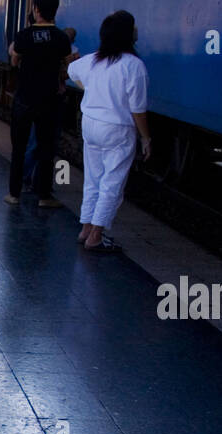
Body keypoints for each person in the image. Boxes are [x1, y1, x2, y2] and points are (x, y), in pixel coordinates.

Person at [68, 9, 150, 252]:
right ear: (127, 34)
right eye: (133, 26)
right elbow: (138, 109)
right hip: (117, 129)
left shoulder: (94, 60)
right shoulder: (134, 66)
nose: (136, 30)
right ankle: (96, 236)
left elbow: (72, 71)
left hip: (91, 124)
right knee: (112, 183)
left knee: (93, 179)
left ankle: (85, 228)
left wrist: (91, 89)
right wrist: (146, 137)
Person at [4, 0, 71, 208]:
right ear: (55, 11)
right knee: (46, 149)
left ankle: (14, 194)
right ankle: (44, 196)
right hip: (49, 100)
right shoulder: (61, 37)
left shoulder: (23, 35)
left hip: (24, 99)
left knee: (19, 148)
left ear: (36, 10)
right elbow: (67, 68)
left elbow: (14, 61)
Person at [23, 25, 77, 189]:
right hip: (52, 101)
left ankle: (29, 178)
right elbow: (68, 74)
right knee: (46, 144)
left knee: (36, 142)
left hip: (40, 99)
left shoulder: (42, 50)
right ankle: (38, 183)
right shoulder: (66, 55)